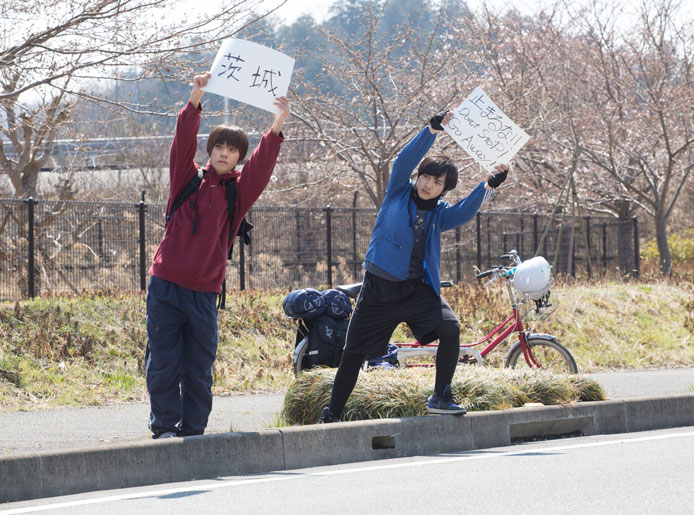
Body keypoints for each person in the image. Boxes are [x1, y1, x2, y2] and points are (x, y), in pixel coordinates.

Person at [320, 111, 509, 422]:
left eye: (437, 182)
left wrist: (487, 184)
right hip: (378, 290)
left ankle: (441, 396)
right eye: (426, 177)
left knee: (450, 328)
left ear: (444, 189)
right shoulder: (397, 191)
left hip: (417, 290)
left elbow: (464, 213)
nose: (428, 185)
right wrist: (431, 130)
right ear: (418, 176)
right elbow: (402, 162)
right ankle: (333, 414)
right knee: (353, 353)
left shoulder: (441, 213)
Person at [145, 72, 290, 438]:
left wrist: (276, 125)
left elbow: (261, 167)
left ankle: (193, 432)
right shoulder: (186, 177)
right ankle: (164, 427)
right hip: (165, 285)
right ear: (210, 151)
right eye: (219, 147)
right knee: (163, 362)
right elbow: (182, 141)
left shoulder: (237, 193)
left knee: (198, 367)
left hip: (206, 293)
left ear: (239, 156)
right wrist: (196, 97)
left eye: (233, 149)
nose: (225, 153)